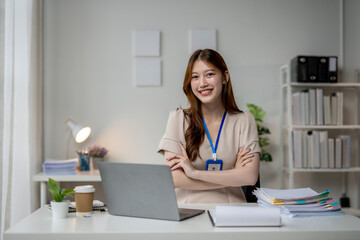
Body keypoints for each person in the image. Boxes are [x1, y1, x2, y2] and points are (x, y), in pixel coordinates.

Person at [157, 49, 261, 203]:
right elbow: (174, 178)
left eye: (210, 74)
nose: (203, 83)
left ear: (225, 77)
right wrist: (233, 174)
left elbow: (250, 177)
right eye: (195, 77)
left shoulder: (244, 120)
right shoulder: (178, 118)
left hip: (232, 211)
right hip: (187, 210)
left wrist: (194, 173)